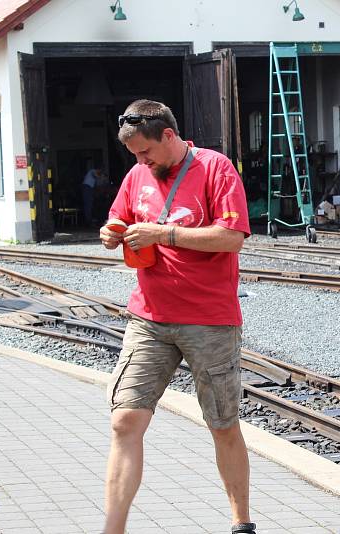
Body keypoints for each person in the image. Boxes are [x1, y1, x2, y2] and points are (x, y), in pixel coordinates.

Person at [98, 99, 254, 534]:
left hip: (209, 319)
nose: (141, 161)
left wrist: (164, 233)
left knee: (222, 424)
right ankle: (113, 529)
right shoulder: (136, 175)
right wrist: (110, 233)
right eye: (135, 156)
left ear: (169, 136)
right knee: (124, 418)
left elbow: (231, 238)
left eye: (145, 152)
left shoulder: (216, 169)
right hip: (149, 318)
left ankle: (242, 523)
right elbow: (119, 219)